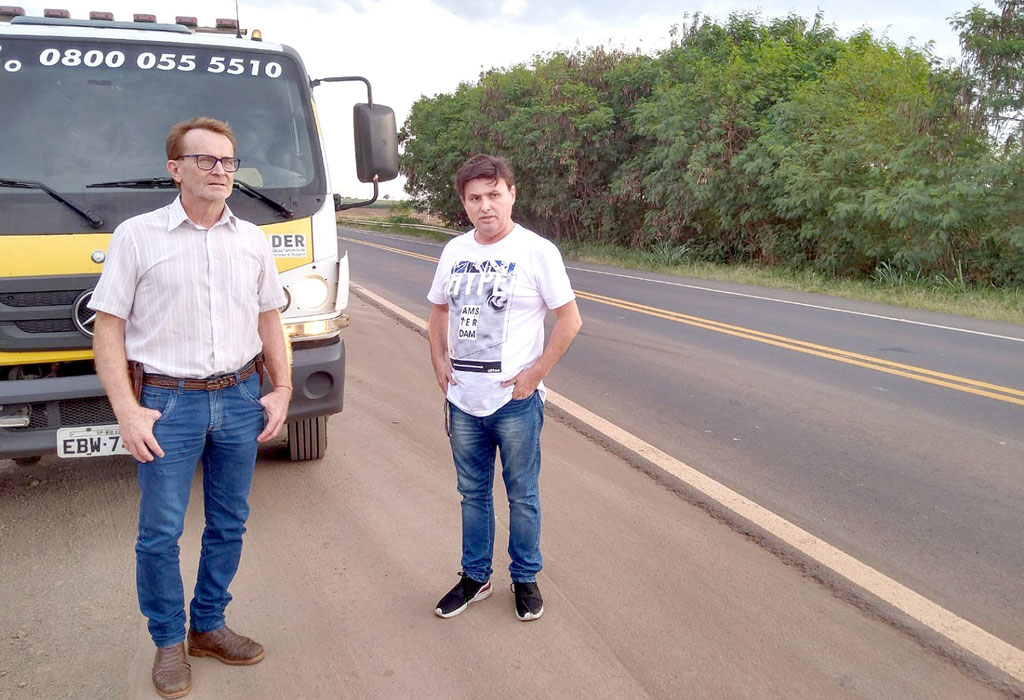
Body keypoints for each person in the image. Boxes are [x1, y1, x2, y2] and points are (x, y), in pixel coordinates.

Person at [90, 117, 291, 699]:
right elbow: (109, 329)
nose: (220, 171)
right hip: (166, 405)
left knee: (229, 523)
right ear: (175, 169)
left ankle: (208, 625)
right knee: (160, 533)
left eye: (228, 162)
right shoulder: (137, 235)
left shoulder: (251, 239)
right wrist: (127, 409)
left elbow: (269, 319)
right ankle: (168, 642)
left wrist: (279, 390)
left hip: (239, 398)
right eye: (205, 161)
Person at [427, 154, 582, 622]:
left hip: (514, 403)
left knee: (521, 494)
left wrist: (535, 375)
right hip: (463, 401)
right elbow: (438, 310)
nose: (485, 206)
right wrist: (437, 358)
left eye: (494, 195)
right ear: (464, 203)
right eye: (475, 198)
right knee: (472, 494)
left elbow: (569, 320)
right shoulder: (454, 251)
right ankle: (475, 577)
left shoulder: (537, 252)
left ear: (512, 194)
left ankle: (525, 577)